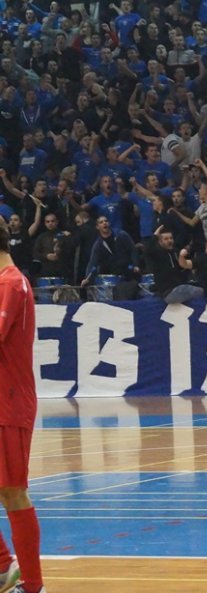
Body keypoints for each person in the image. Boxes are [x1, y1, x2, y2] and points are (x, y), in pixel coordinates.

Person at [0, 218, 46, 593]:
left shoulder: (9, 283)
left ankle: (32, 585)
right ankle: (4, 568)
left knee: (14, 491)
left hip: (7, 403)